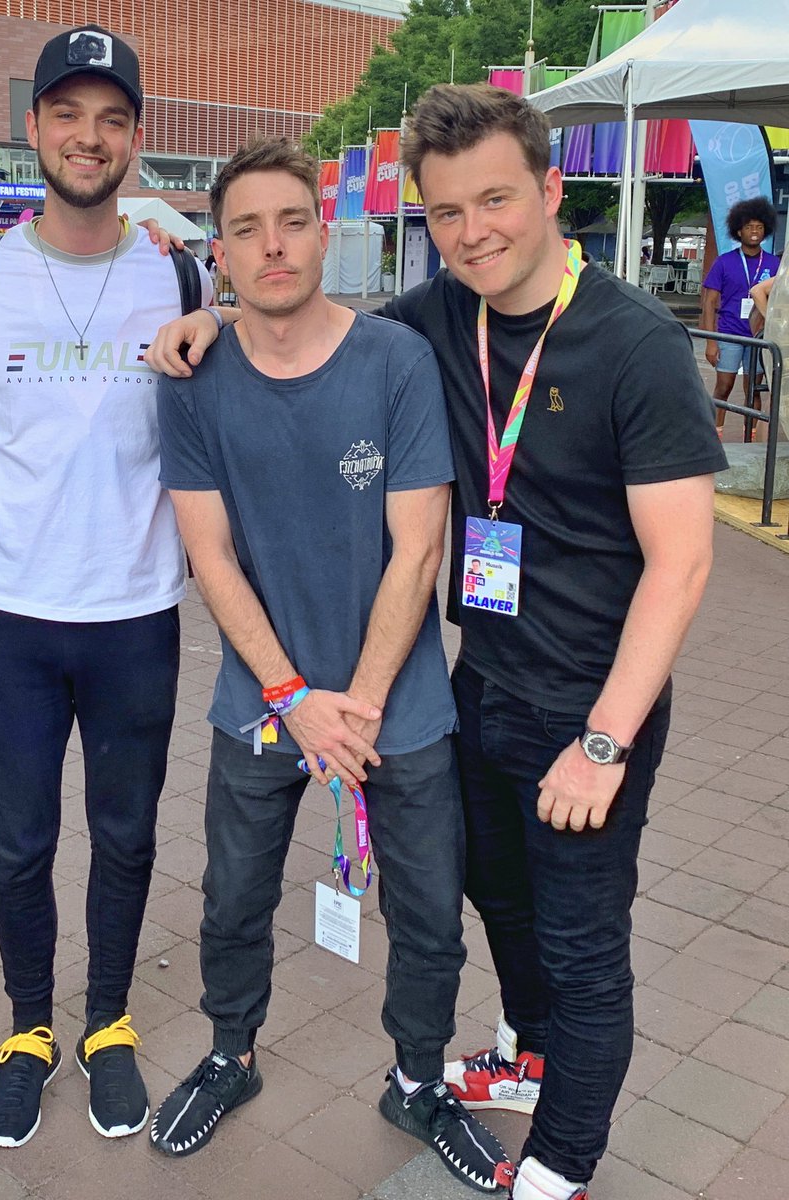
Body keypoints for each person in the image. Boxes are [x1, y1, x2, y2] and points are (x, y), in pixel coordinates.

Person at [146, 83, 725, 1200]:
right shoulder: (442, 316)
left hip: (579, 705)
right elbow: (285, 324)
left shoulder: (633, 344)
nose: (473, 232)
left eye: (496, 200)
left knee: (565, 942)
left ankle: (541, 1152)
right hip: (480, 683)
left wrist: (602, 742)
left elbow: (682, 564)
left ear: (552, 190)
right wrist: (213, 318)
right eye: (449, 212)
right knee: (478, 899)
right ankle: (468, 1054)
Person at [147, 136, 513, 1194]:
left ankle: (418, 1080)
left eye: (292, 222)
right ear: (220, 254)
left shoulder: (396, 363)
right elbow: (210, 556)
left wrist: (354, 704)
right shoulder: (194, 378)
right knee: (233, 897)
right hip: (263, 703)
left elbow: (419, 548)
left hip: (397, 705)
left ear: (325, 233)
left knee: (429, 914)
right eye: (247, 229)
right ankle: (232, 1054)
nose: (273, 246)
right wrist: (295, 698)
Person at [0, 22, 211, 1151]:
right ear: (34, 129)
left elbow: (254, 373)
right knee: (17, 844)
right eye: (67, 114)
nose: (88, 136)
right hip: (5, 613)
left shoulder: (182, 273)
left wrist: (224, 317)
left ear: (135, 138)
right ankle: (28, 1029)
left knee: (126, 834)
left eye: (111, 118)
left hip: (135, 611)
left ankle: (106, 1021)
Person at [701, 196, 779, 436]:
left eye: (759, 227)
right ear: (738, 231)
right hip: (729, 335)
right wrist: (711, 342)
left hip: (758, 338)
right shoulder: (724, 262)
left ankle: (749, 438)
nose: (754, 231)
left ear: (766, 230)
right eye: (749, 227)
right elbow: (709, 303)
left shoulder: (774, 264)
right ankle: (715, 435)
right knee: (723, 387)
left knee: (753, 389)